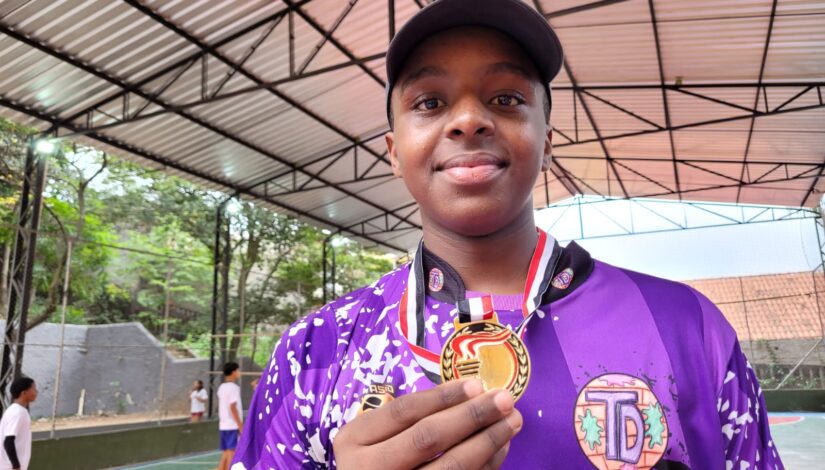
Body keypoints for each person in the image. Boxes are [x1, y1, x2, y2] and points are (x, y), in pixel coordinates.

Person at [233, 1, 783, 468]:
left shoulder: (687, 325)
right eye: (429, 102)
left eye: (506, 99)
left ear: (547, 142)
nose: (469, 120)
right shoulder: (315, 350)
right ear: (394, 152)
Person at [0, 377, 37, 470]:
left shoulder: (17, 410)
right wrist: (16, 466)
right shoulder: (17, 413)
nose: (36, 391)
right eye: (33, 389)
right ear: (23, 393)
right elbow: (8, 441)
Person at [217, 363, 242, 470]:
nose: (239, 373)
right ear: (234, 372)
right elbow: (232, 407)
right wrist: (240, 425)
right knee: (232, 452)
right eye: (238, 371)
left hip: (223, 425)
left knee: (226, 451)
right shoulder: (234, 388)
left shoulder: (221, 387)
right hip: (232, 425)